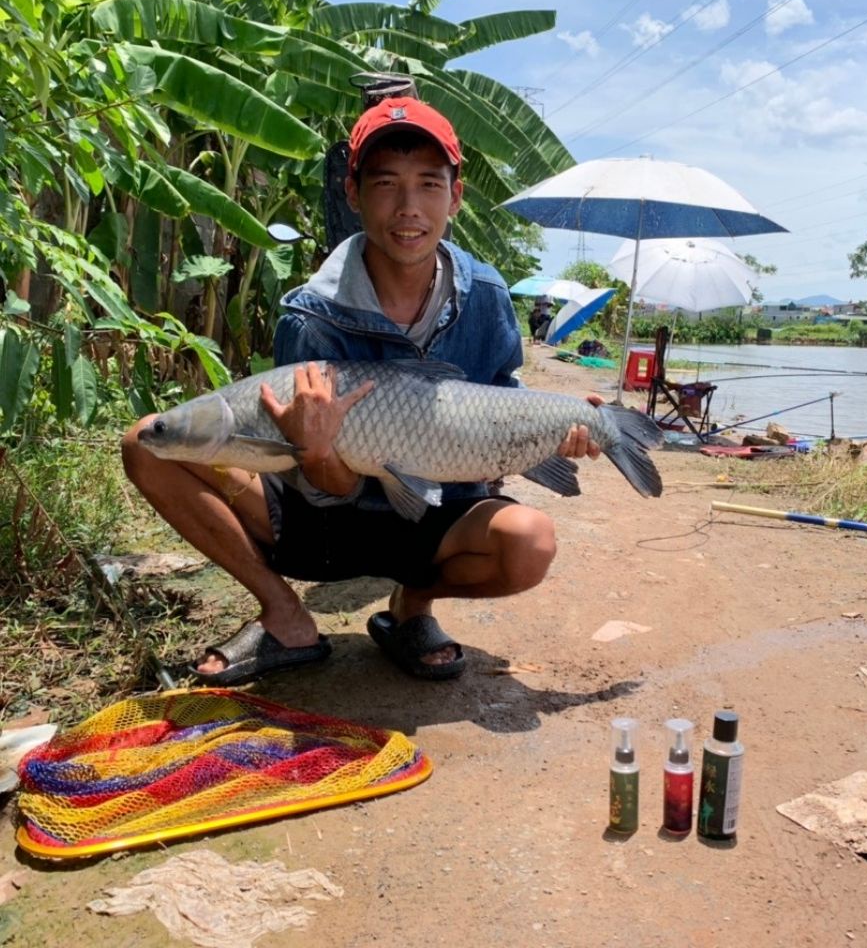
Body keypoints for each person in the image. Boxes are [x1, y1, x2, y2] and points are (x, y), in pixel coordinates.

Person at [122, 96, 601, 686]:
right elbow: (330, 492)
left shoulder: (487, 296)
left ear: (455, 197)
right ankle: (285, 616)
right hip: (328, 519)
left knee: (531, 543)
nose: (408, 208)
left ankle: (410, 607)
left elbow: (503, 392)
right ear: (353, 193)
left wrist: (561, 430)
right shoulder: (311, 317)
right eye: (385, 183)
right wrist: (318, 452)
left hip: (439, 512)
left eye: (429, 184)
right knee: (145, 442)